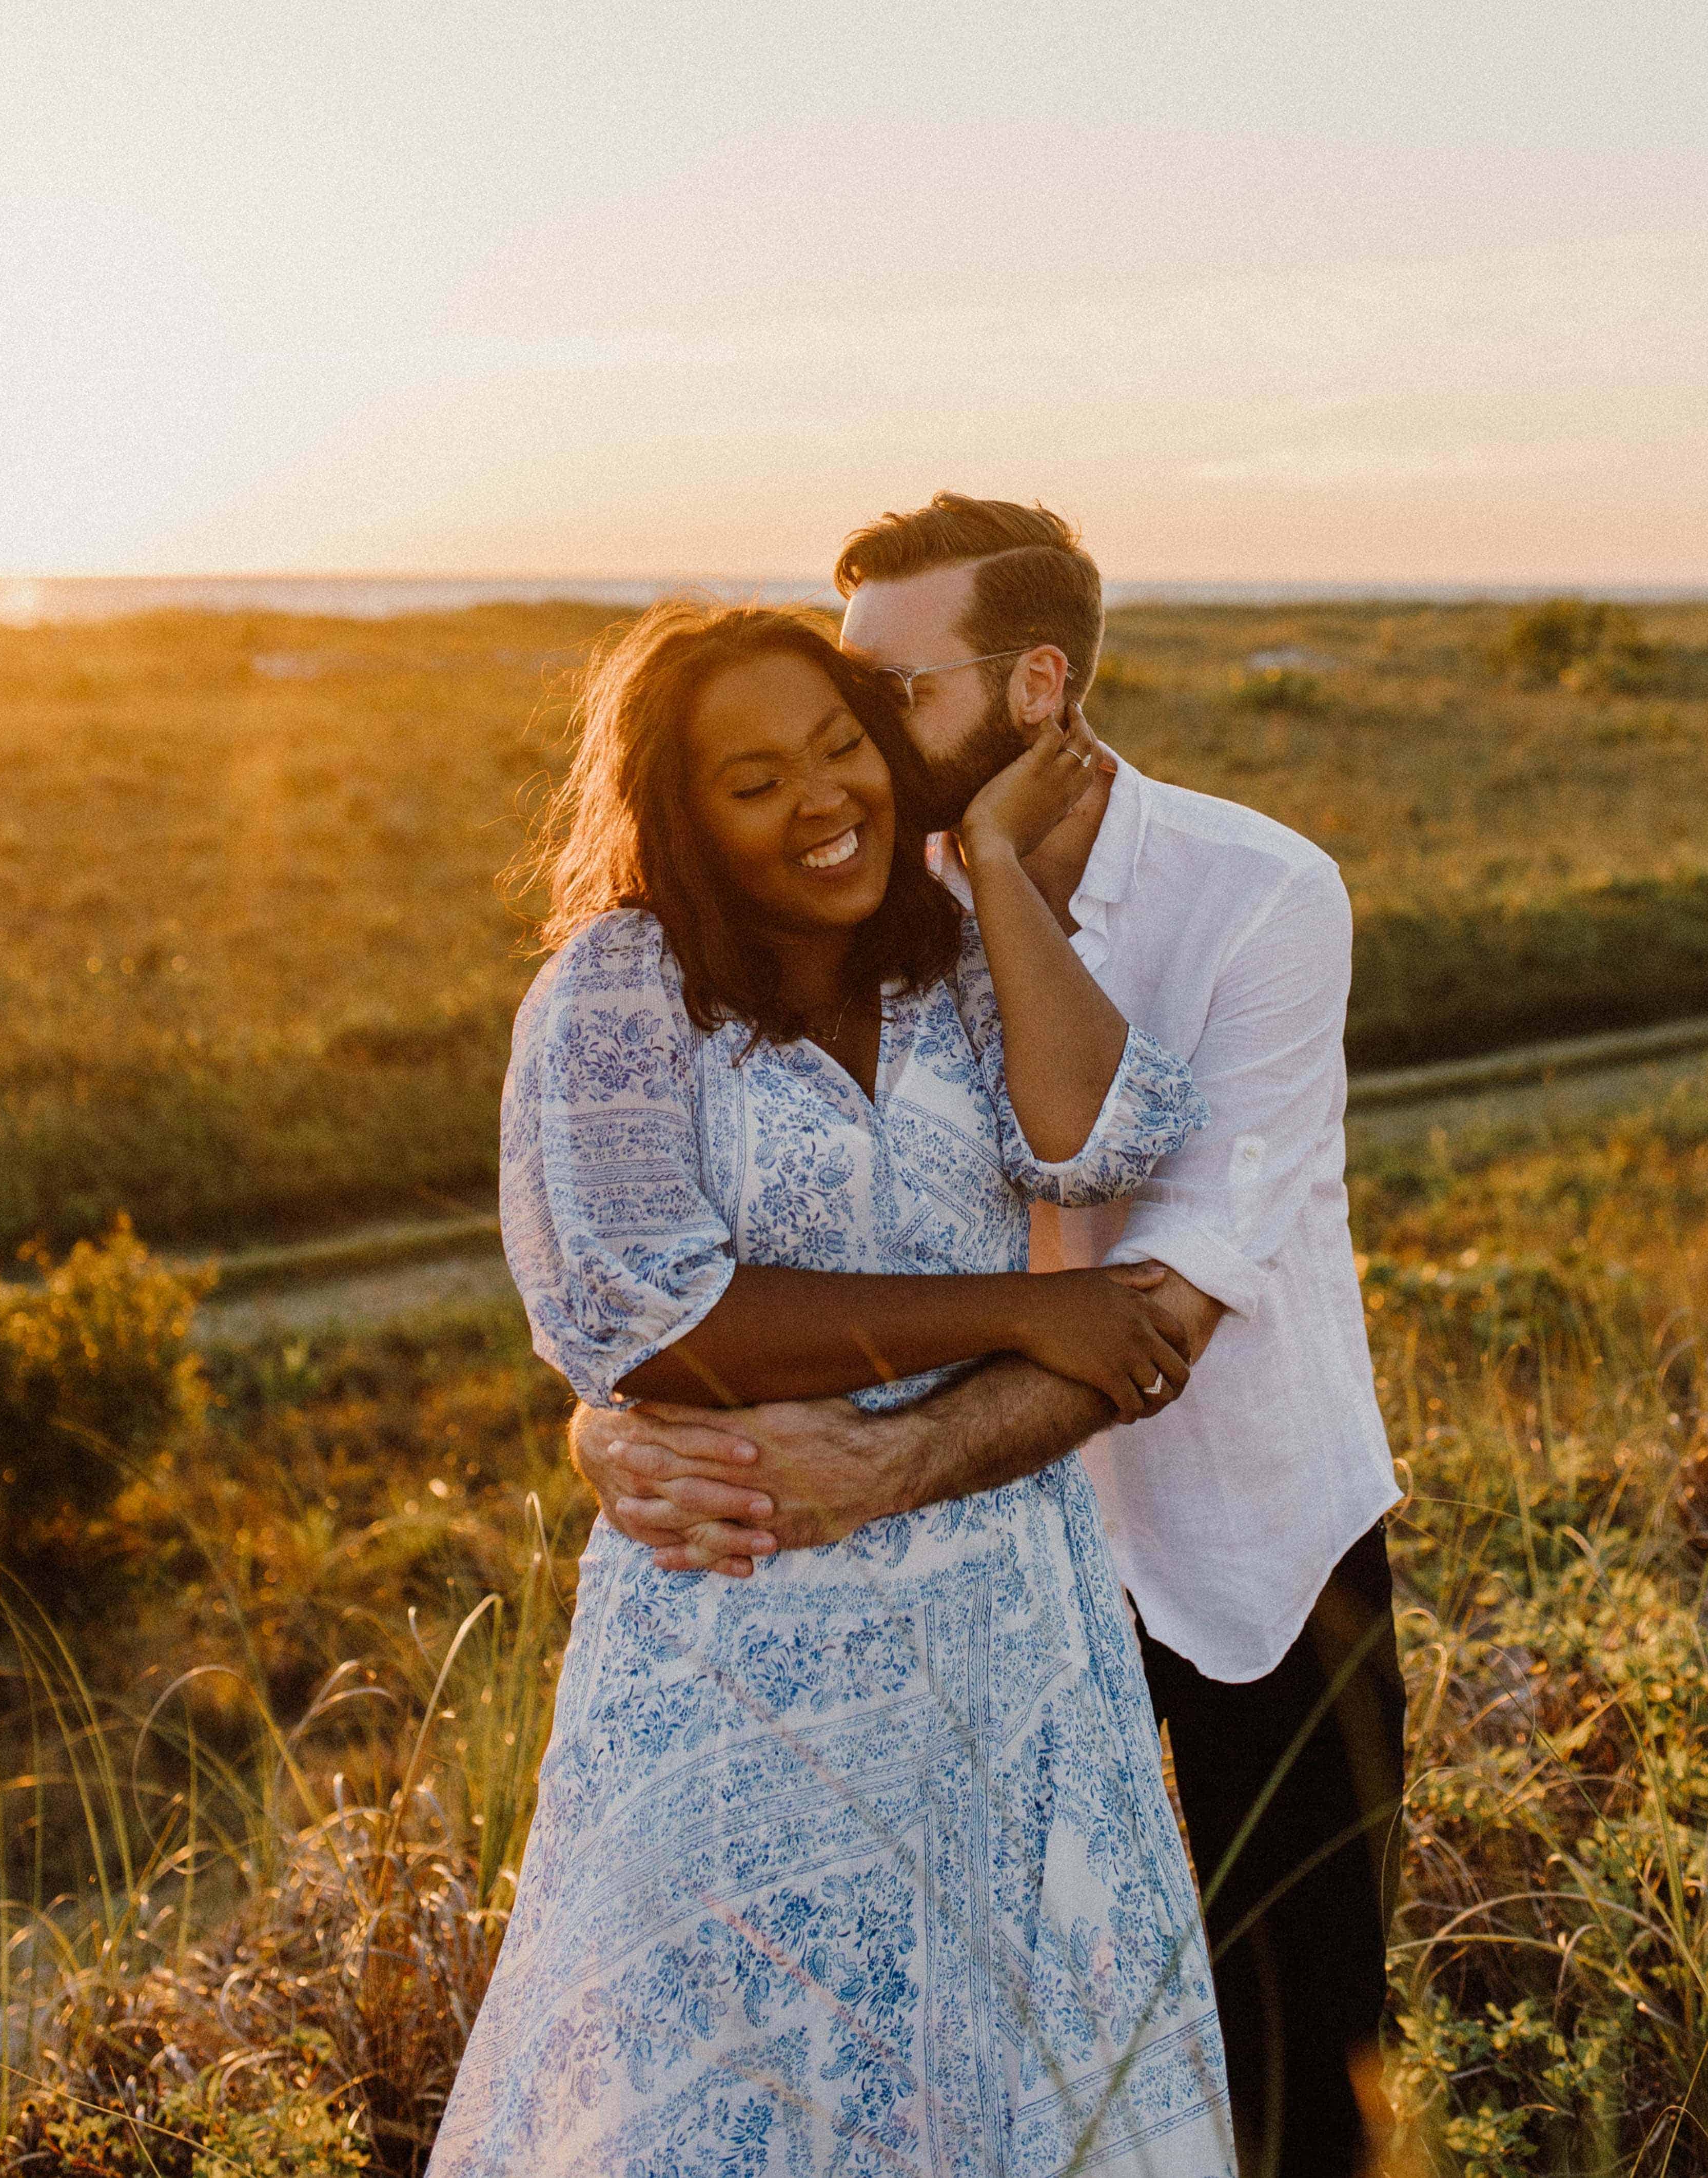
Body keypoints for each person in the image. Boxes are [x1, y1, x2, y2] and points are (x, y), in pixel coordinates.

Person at [573, 500, 1406, 2178]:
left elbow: (1157, 1311)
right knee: (1004, 2057)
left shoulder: (1259, 897)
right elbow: (727, 1239)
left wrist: (876, 1464)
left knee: (1303, 2070)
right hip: (973, 1584)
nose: (857, 733)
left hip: (1258, 1553)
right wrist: (615, 1414)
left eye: (895, 688)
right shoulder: (866, 912)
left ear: (1039, 685)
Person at [428, 600, 1235, 2178]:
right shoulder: (619, 988)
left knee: (1033, 2082)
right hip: (741, 1637)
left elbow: (1107, 1141)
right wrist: (1028, 1308)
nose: (820, 800)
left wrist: (992, 866)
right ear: (680, 816)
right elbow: (649, 1310)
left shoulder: (956, 963)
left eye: (839, 746)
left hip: (1012, 1641)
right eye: (753, 780)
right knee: (720, 2092)